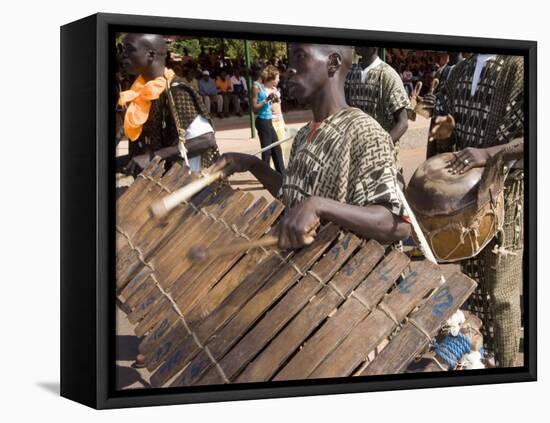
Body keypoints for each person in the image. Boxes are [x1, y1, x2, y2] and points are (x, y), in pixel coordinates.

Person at [210, 43, 411, 250]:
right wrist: (252, 164)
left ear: (332, 63)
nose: (290, 69)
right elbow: (293, 196)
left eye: (300, 56)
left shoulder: (364, 132)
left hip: (344, 277)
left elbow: (396, 225)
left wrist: (319, 205)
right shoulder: (304, 134)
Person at [430, 53, 524, 367]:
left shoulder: (520, 65)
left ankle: (510, 370)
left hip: (506, 196)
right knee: (471, 285)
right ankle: (478, 361)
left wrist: (485, 153)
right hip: (466, 200)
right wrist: (447, 130)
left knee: (502, 293)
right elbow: (450, 132)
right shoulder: (458, 71)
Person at [117, 33, 219, 175]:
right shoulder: (139, 93)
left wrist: (153, 157)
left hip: (187, 185)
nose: (122, 55)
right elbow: (144, 152)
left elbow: (206, 140)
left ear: (150, 55)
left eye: (129, 49)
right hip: (159, 183)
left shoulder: (176, 91)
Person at [344, 47, 410, 145]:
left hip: (379, 151)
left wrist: (382, 147)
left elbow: (403, 122)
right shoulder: (350, 73)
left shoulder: (387, 75)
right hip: (354, 146)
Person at [251, 65, 285, 173]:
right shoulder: (255, 87)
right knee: (266, 151)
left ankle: (282, 175)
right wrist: (266, 100)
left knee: (276, 148)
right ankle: (265, 177)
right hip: (262, 121)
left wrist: (272, 100)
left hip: (268, 120)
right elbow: (254, 108)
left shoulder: (262, 86)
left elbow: (266, 104)